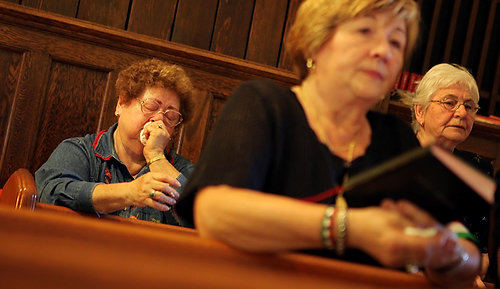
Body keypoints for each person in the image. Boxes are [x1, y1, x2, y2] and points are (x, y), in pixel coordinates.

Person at [176, 0, 481, 286]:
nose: (383, 51)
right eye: (365, 31)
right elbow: (214, 212)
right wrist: (352, 228)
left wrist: (448, 253)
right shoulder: (264, 106)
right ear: (316, 41)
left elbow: (464, 247)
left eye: (396, 42)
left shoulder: (395, 138)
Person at [36, 58, 195, 225]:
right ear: (121, 104)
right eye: (151, 106)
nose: (159, 120)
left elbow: (202, 218)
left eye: (171, 116)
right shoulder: (81, 150)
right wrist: (130, 192)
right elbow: (48, 193)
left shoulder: (183, 170)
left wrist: (155, 156)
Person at [404, 63, 493, 282]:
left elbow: (482, 254)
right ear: (420, 111)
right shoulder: (396, 160)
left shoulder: (478, 168)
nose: (461, 113)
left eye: (469, 106)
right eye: (449, 103)